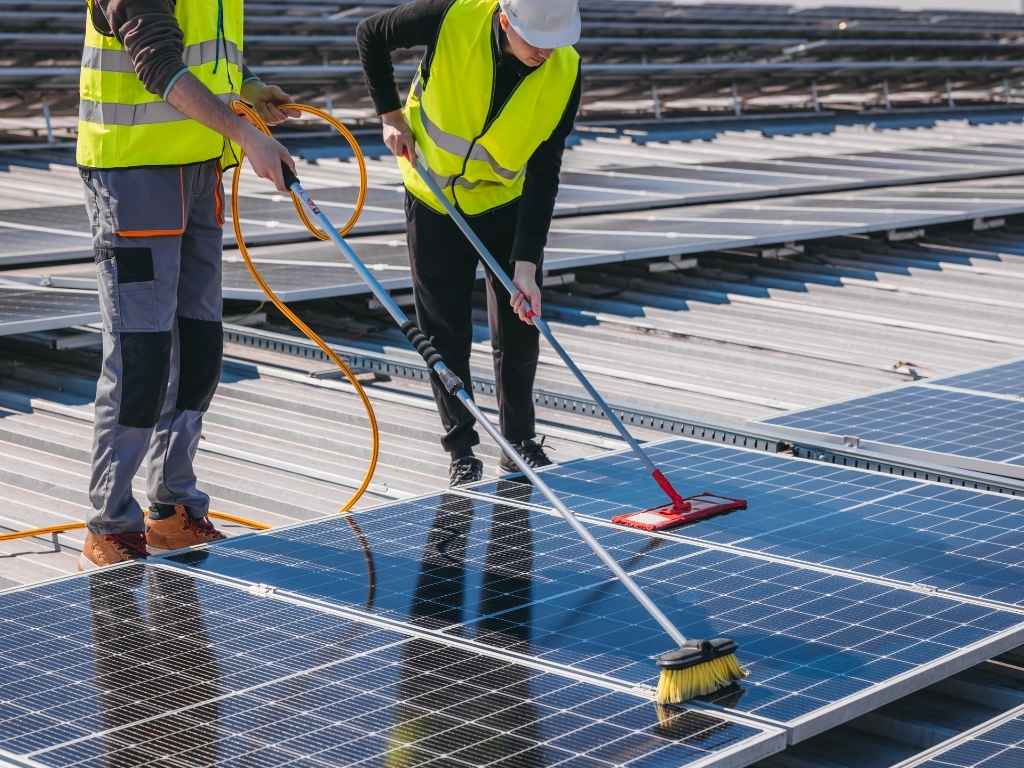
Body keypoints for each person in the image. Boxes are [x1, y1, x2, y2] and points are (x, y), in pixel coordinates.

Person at [78, 0, 297, 568]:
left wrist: (248, 89)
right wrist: (248, 137)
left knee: (199, 348)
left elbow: (212, 58)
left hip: (200, 169)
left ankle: (173, 509)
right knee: (141, 356)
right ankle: (111, 525)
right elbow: (156, 65)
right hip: (133, 176)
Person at [357, 0, 582, 486]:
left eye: (554, 41)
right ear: (505, 21)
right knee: (444, 329)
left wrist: (526, 264)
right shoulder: (453, 16)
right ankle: (461, 448)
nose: (546, 51)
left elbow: (545, 170)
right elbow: (370, 34)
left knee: (520, 323)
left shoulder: (565, 69)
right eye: (536, 40)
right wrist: (390, 114)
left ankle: (519, 442)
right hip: (434, 197)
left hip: (505, 201)